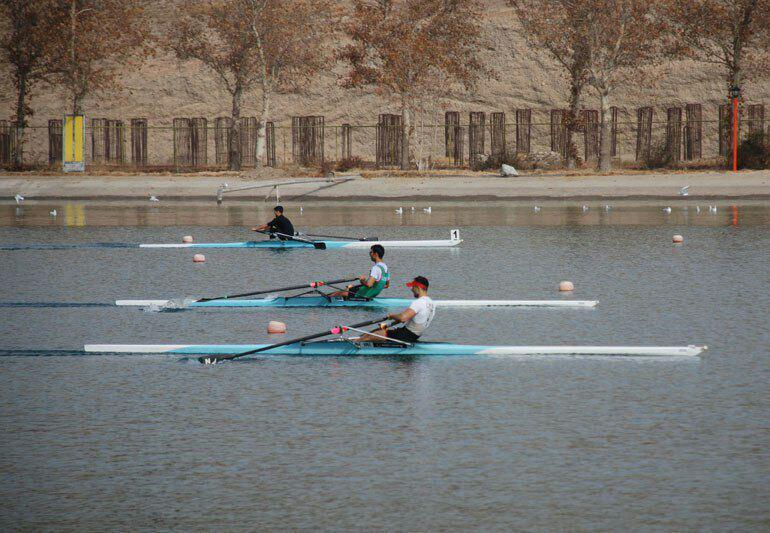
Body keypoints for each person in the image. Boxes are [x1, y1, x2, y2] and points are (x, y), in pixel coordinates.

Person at [359, 276, 435, 344]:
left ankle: (354, 344)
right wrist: (388, 325)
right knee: (375, 332)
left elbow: (403, 318)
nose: (411, 289)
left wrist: (391, 316)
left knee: (369, 336)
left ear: (417, 287)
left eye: (412, 287)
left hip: (405, 335)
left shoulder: (419, 302)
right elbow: (409, 319)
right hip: (414, 335)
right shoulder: (431, 303)